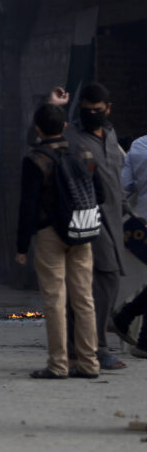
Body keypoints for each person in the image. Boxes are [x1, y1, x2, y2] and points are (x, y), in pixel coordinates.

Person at [16, 104, 100, 379]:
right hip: (81, 230)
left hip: (50, 233)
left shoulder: (35, 159)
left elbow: (27, 205)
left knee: (55, 300)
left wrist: (21, 246)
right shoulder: (83, 153)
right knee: (84, 299)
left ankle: (59, 364)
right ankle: (89, 364)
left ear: (38, 128)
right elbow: (100, 193)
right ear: (64, 127)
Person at [60, 83, 129, 370]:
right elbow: (36, 137)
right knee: (102, 279)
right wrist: (53, 107)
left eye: (97, 111)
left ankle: (83, 346)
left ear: (107, 109)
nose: (91, 115)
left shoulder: (110, 135)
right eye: (86, 110)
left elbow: (114, 177)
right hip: (87, 218)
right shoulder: (71, 135)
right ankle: (96, 346)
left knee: (101, 283)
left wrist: (128, 209)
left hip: (114, 218)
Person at [111, 133, 147, 359]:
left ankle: (125, 318)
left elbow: (125, 186)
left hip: (142, 220)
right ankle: (141, 338)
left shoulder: (139, 145)